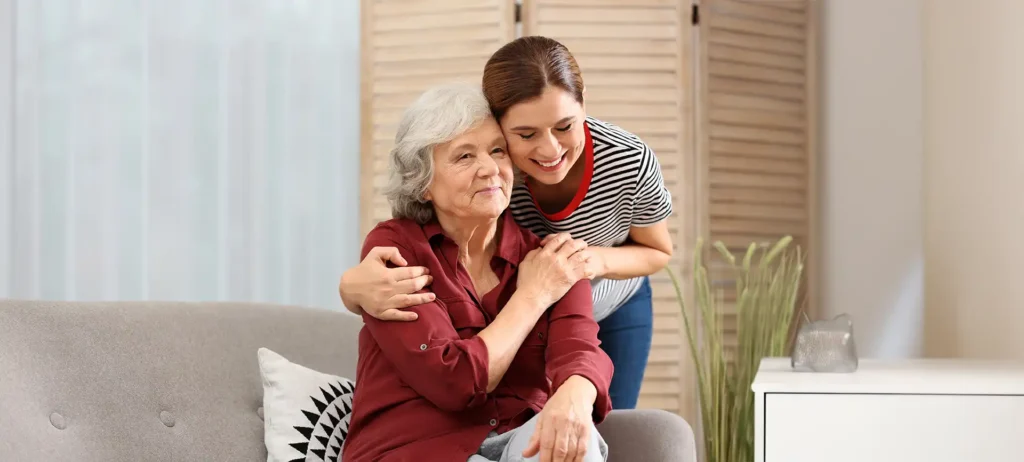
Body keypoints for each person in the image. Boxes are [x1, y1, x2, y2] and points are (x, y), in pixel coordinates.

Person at [340, 36, 674, 410]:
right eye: (526, 134)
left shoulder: (628, 160)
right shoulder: (496, 168)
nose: (550, 150)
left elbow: (658, 251)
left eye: (565, 126)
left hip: (608, 292)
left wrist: (588, 261)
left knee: (609, 414)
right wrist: (349, 288)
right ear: (499, 124)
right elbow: (425, 216)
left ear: (584, 105)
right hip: (532, 290)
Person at [340, 83, 614, 462]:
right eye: (464, 156)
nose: (490, 169)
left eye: (498, 151)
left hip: (519, 438)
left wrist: (575, 396)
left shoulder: (552, 257)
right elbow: (453, 382)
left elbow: (580, 349)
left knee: (576, 443)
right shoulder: (396, 248)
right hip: (416, 447)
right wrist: (533, 296)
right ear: (423, 184)